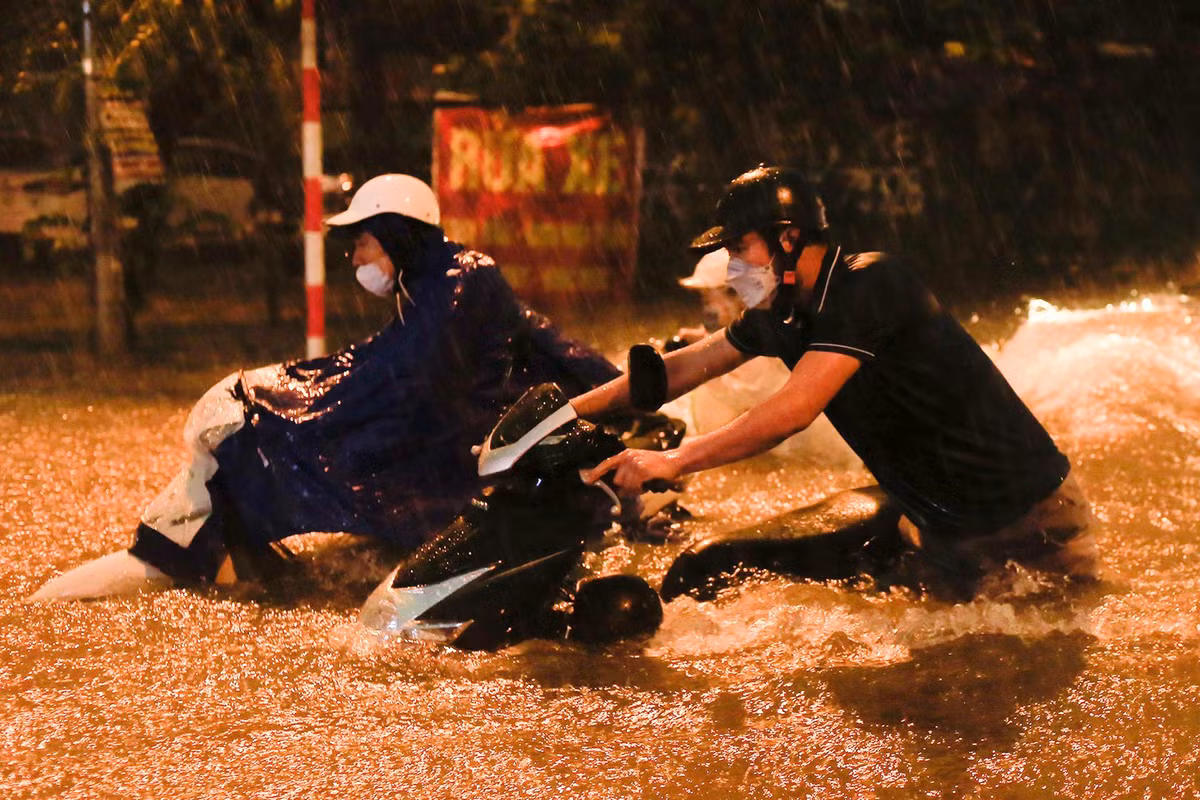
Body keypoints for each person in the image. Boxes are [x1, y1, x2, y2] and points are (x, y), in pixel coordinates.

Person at [32, 174, 621, 600]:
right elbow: (524, 343)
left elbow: (402, 376)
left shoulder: (458, 281)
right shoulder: (436, 282)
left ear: (394, 235)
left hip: (480, 459)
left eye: (362, 241)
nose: (354, 255)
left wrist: (276, 401)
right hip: (475, 455)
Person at [578, 165, 1097, 598]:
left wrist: (673, 459)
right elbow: (680, 370)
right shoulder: (779, 313)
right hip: (944, 528)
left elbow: (793, 410)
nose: (732, 268)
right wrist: (565, 414)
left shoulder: (869, 285)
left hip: (1028, 521)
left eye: (740, 249)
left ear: (788, 237)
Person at [663, 249, 857, 464]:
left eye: (709, 298)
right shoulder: (771, 320)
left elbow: (744, 394)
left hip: (818, 455)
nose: (706, 307)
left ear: (735, 293)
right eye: (703, 299)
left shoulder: (768, 336)